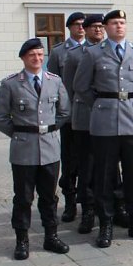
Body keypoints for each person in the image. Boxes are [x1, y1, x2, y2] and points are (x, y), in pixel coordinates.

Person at [73, 9, 133, 248]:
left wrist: (129, 104)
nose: (119, 26)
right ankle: (106, 223)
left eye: (122, 22)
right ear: (106, 27)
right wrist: (102, 104)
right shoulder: (93, 53)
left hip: (132, 120)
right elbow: (81, 86)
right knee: (104, 175)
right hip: (104, 121)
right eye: (114, 23)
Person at [0, 38, 71, 260]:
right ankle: (22, 240)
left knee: (49, 197)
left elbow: (64, 112)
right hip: (23, 151)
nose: (37, 58)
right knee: (23, 198)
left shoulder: (54, 81)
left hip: (50, 149)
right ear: (23, 58)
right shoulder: (11, 84)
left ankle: (51, 236)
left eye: (40, 54)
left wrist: (50, 130)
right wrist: (19, 133)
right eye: (32, 55)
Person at [62, 13, 105, 234]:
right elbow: (69, 89)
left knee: (108, 165)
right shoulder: (74, 55)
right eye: (93, 26)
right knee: (85, 166)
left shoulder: (109, 51)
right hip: (84, 118)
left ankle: (110, 206)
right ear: (85, 30)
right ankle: (87, 209)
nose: (98, 30)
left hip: (108, 118)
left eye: (101, 26)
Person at [46, 11, 85, 223]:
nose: (81, 27)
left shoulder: (95, 49)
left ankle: (89, 202)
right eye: (77, 24)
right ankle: (70, 202)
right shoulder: (59, 52)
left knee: (90, 161)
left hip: (90, 115)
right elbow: (52, 83)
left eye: (83, 24)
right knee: (70, 162)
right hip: (69, 116)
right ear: (69, 27)